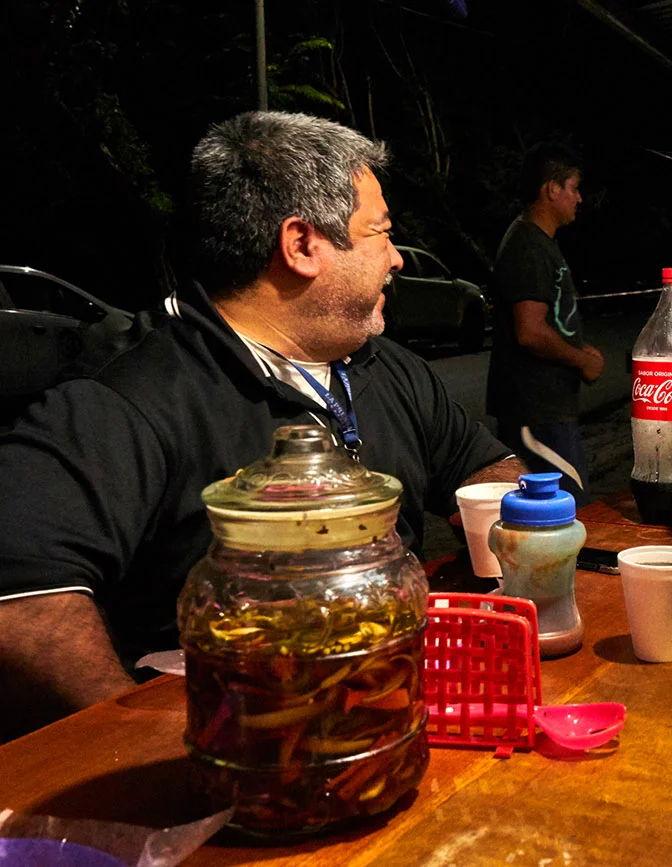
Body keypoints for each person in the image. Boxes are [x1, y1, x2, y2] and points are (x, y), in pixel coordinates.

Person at [0, 111, 525, 738]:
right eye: (380, 232)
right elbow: (22, 602)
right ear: (301, 246)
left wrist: (518, 546)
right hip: (245, 754)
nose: (397, 258)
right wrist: (152, 750)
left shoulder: (385, 367)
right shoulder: (125, 398)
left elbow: (486, 469)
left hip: (390, 714)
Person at [486, 143, 604, 505]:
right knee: (569, 511)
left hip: (548, 412)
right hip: (534, 413)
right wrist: (582, 360)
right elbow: (530, 331)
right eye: (573, 187)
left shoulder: (539, 243)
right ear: (551, 189)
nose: (579, 198)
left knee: (561, 514)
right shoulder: (528, 246)